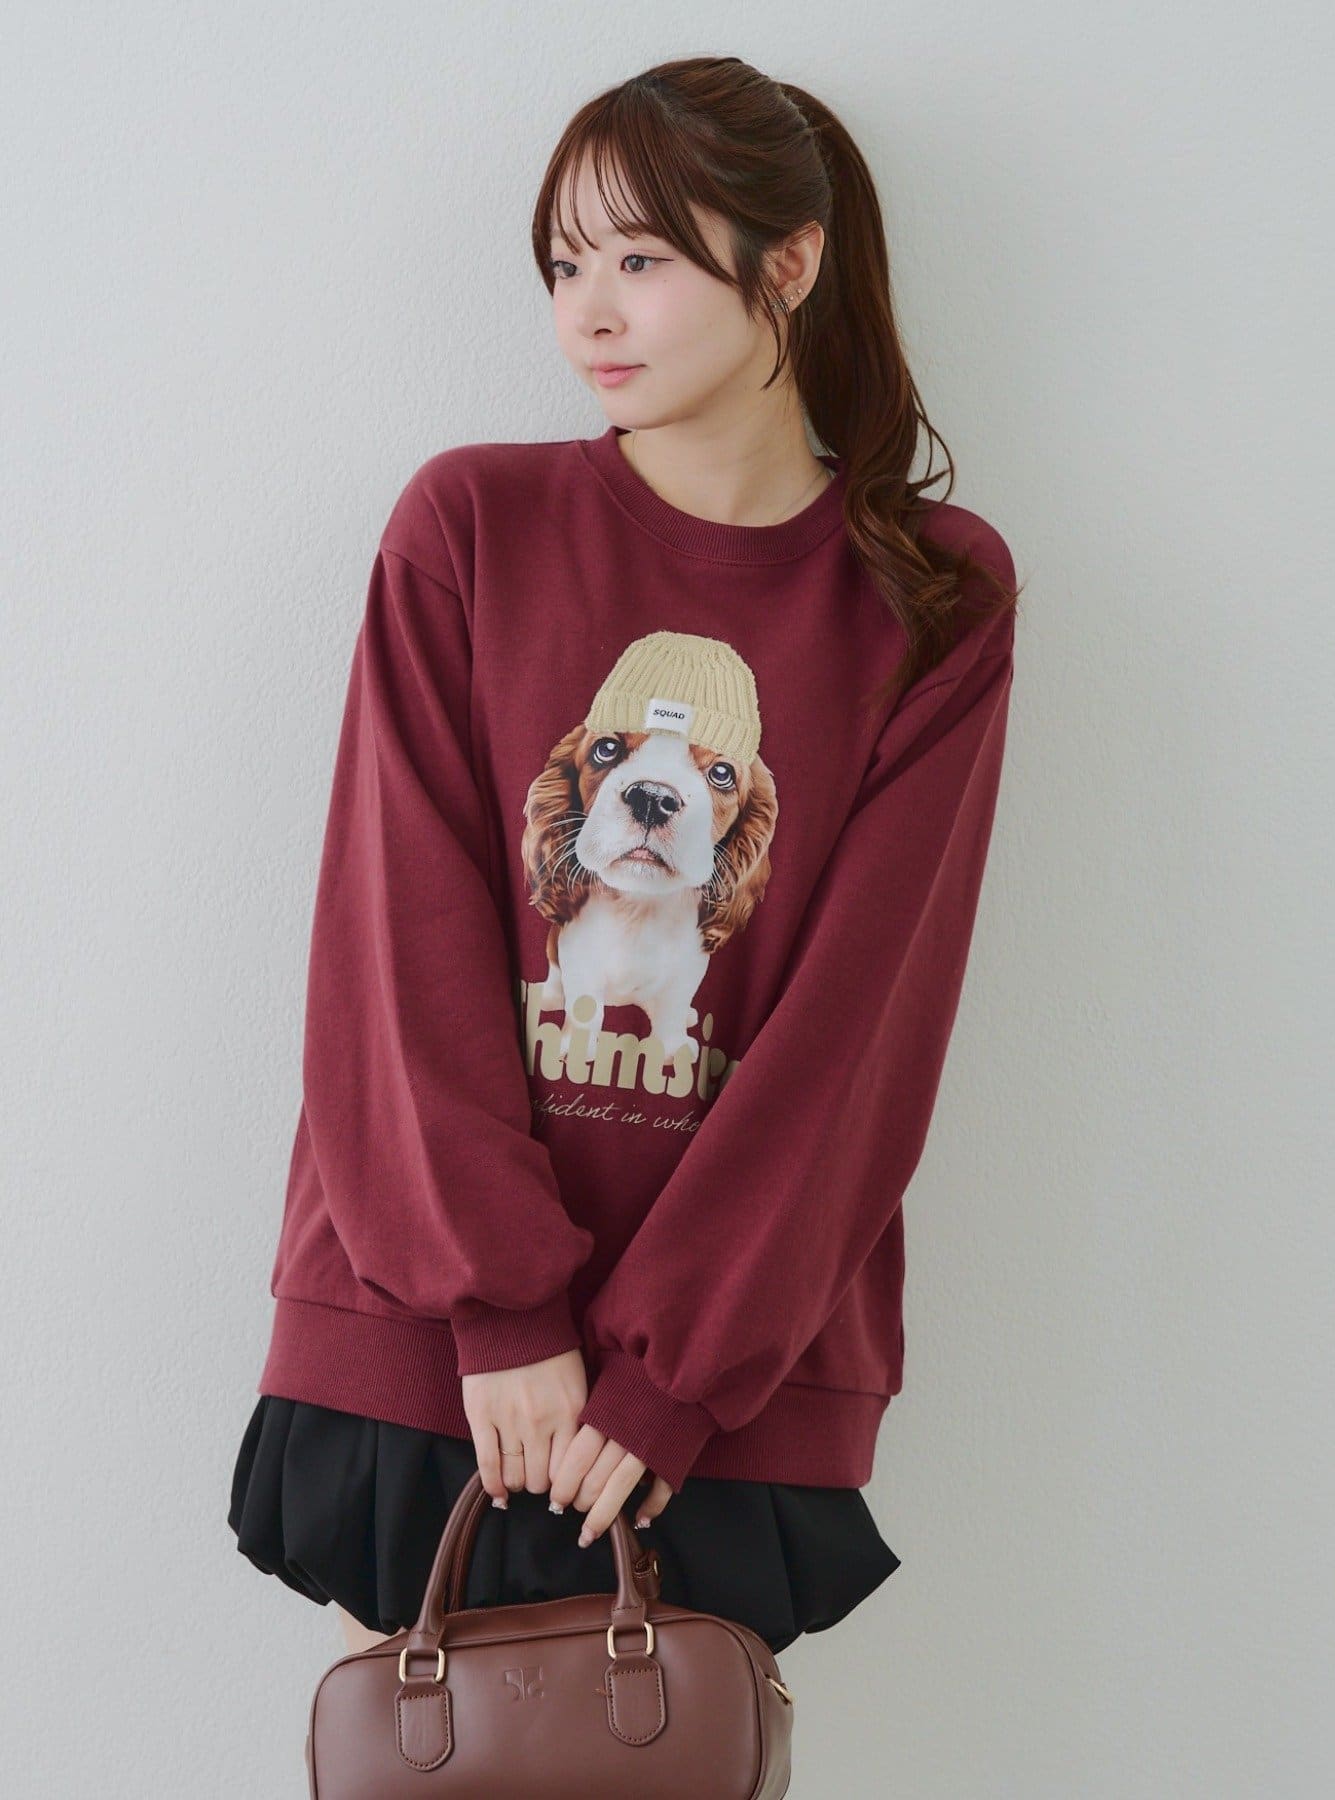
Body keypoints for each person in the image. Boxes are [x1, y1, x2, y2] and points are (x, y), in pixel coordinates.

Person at [228, 53, 1023, 1664]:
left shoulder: (931, 596)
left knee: (672, 1752)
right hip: (432, 1344)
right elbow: (396, 942)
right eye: (563, 266)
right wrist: (500, 1305)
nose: (588, 312)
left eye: (640, 259)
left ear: (787, 265)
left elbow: (862, 1032)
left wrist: (674, 1370)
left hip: (720, 1389)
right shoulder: (469, 526)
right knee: (421, 1752)